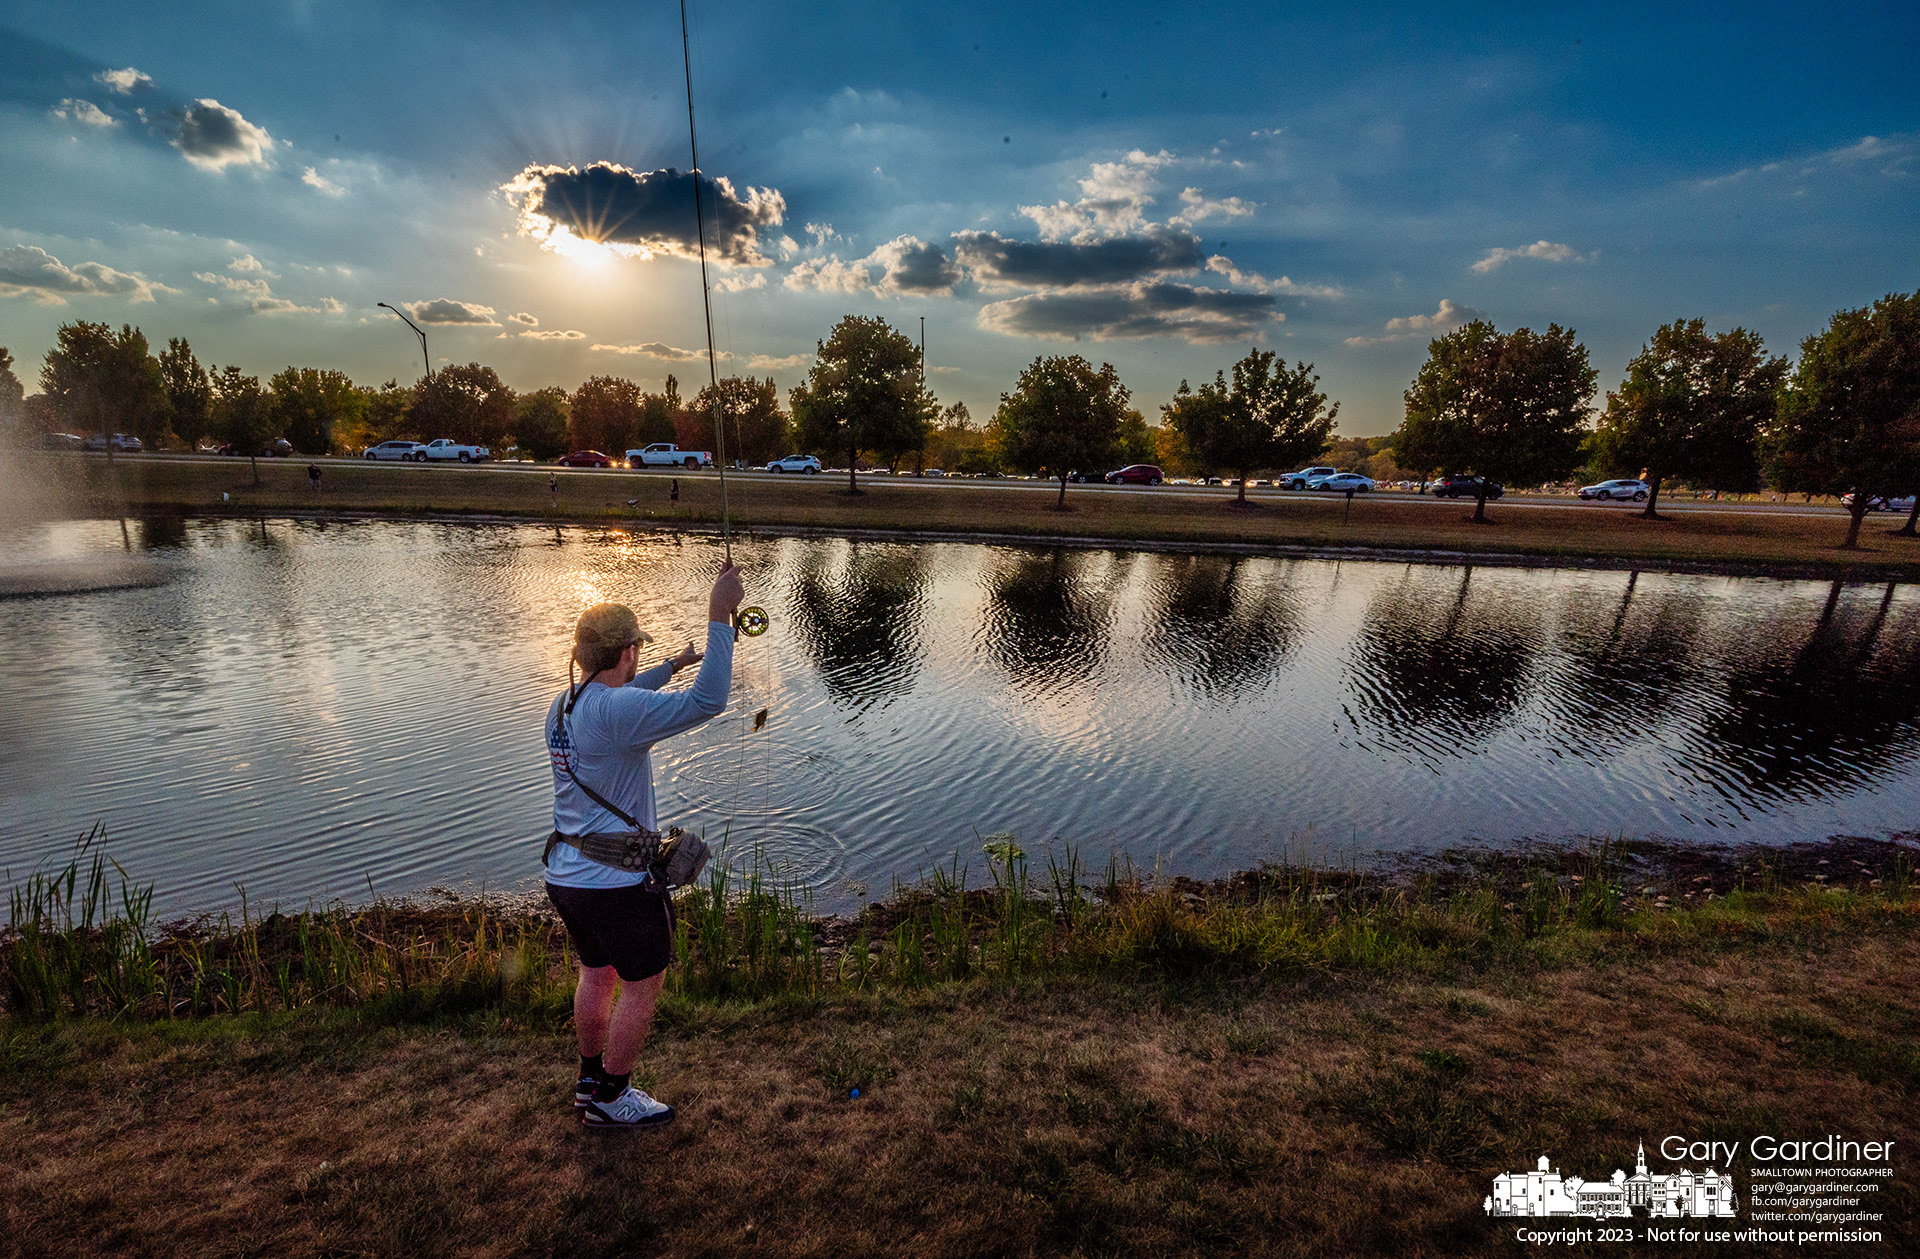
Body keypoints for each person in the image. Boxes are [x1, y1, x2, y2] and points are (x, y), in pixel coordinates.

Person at [544, 564, 743, 1129]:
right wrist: (718, 616)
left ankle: (589, 1080)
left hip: (567, 874)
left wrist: (672, 665)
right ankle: (613, 1096)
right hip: (617, 885)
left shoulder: (564, 704)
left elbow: (627, 694)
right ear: (626, 652)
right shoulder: (619, 712)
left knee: (597, 972)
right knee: (643, 983)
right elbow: (709, 702)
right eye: (638, 651)